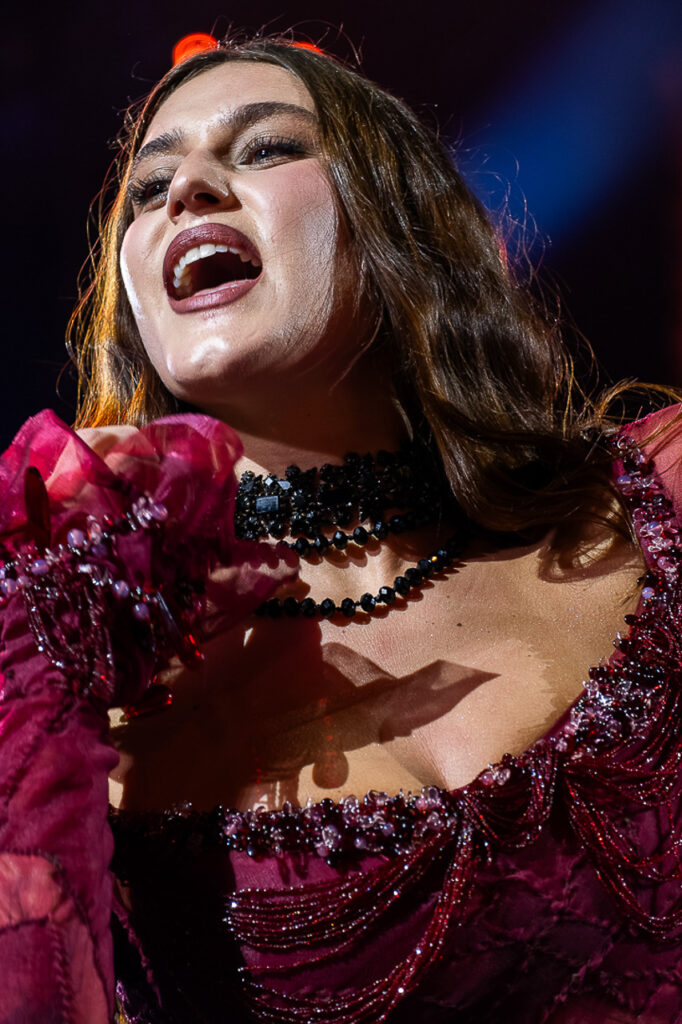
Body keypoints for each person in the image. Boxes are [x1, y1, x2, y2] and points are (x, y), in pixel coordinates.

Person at [1, 32, 681, 1024]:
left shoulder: (655, 502)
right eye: (147, 189)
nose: (185, 192)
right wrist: (36, 653)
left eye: (264, 150)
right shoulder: (82, 689)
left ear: (400, 223)